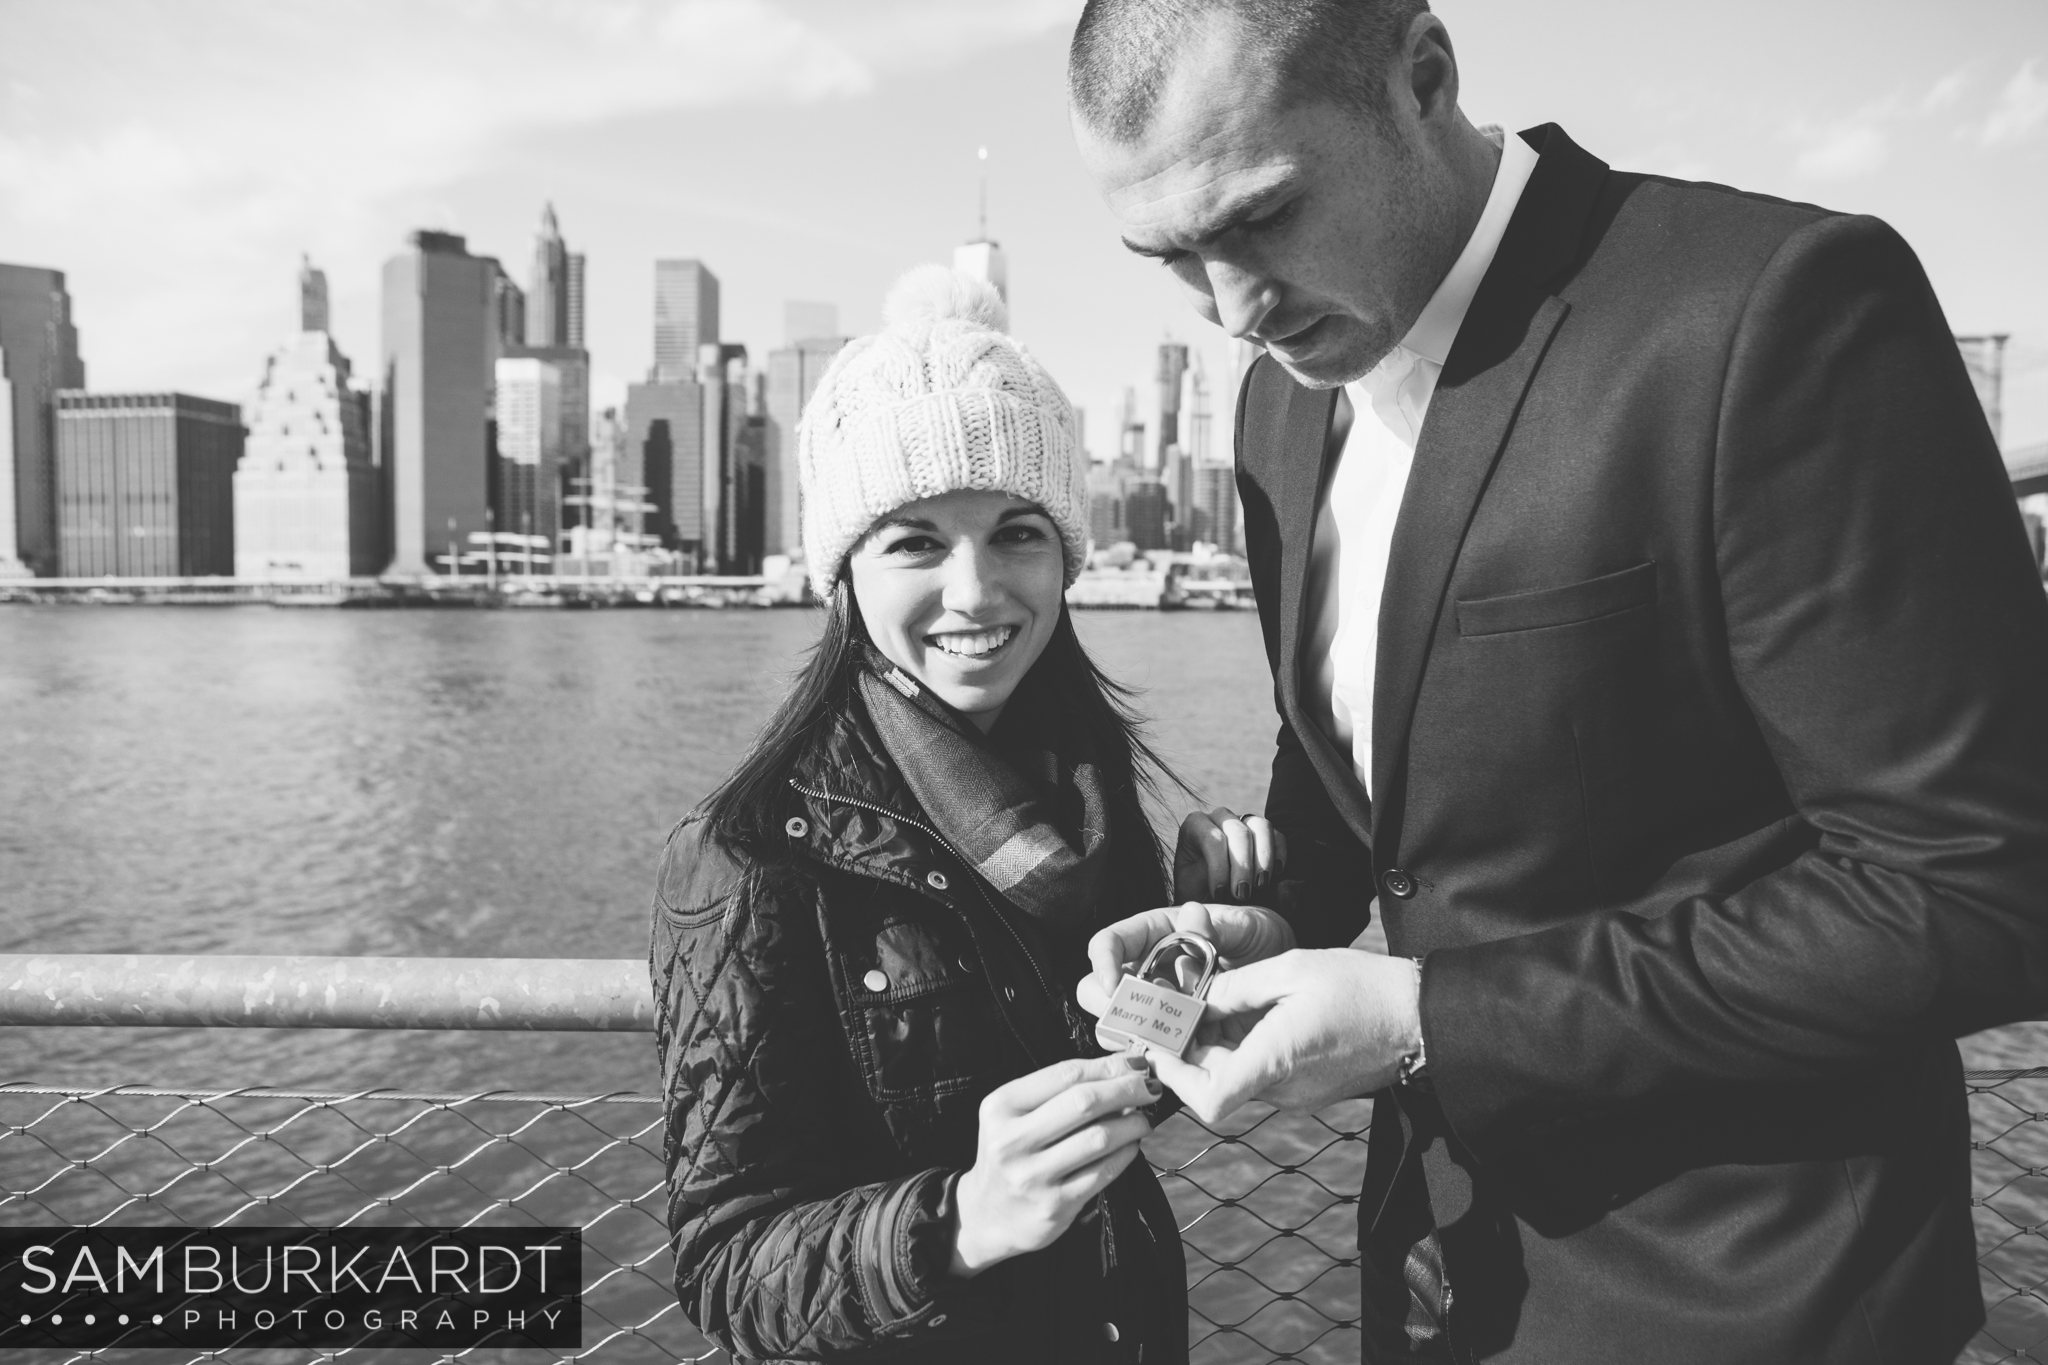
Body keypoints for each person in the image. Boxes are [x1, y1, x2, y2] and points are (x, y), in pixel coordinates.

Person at [1066, 1, 2048, 1361]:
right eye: (1171, 257)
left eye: (1262, 218)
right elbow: (1372, 773)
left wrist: (1428, 1020)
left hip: (1758, 1304)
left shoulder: (1771, 310)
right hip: (1436, 1284)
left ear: (1423, 78)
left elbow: (1983, 884)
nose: (1232, 310)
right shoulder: (1279, 402)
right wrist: (1266, 908)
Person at [650, 266, 1190, 1364]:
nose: (976, 589)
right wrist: (958, 1222)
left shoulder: (1080, 794)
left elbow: (1109, 1092)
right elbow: (727, 1268)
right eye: (914, 542)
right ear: (845, 575)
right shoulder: (749, 856)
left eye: (1017, 532)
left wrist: (1206, 952)